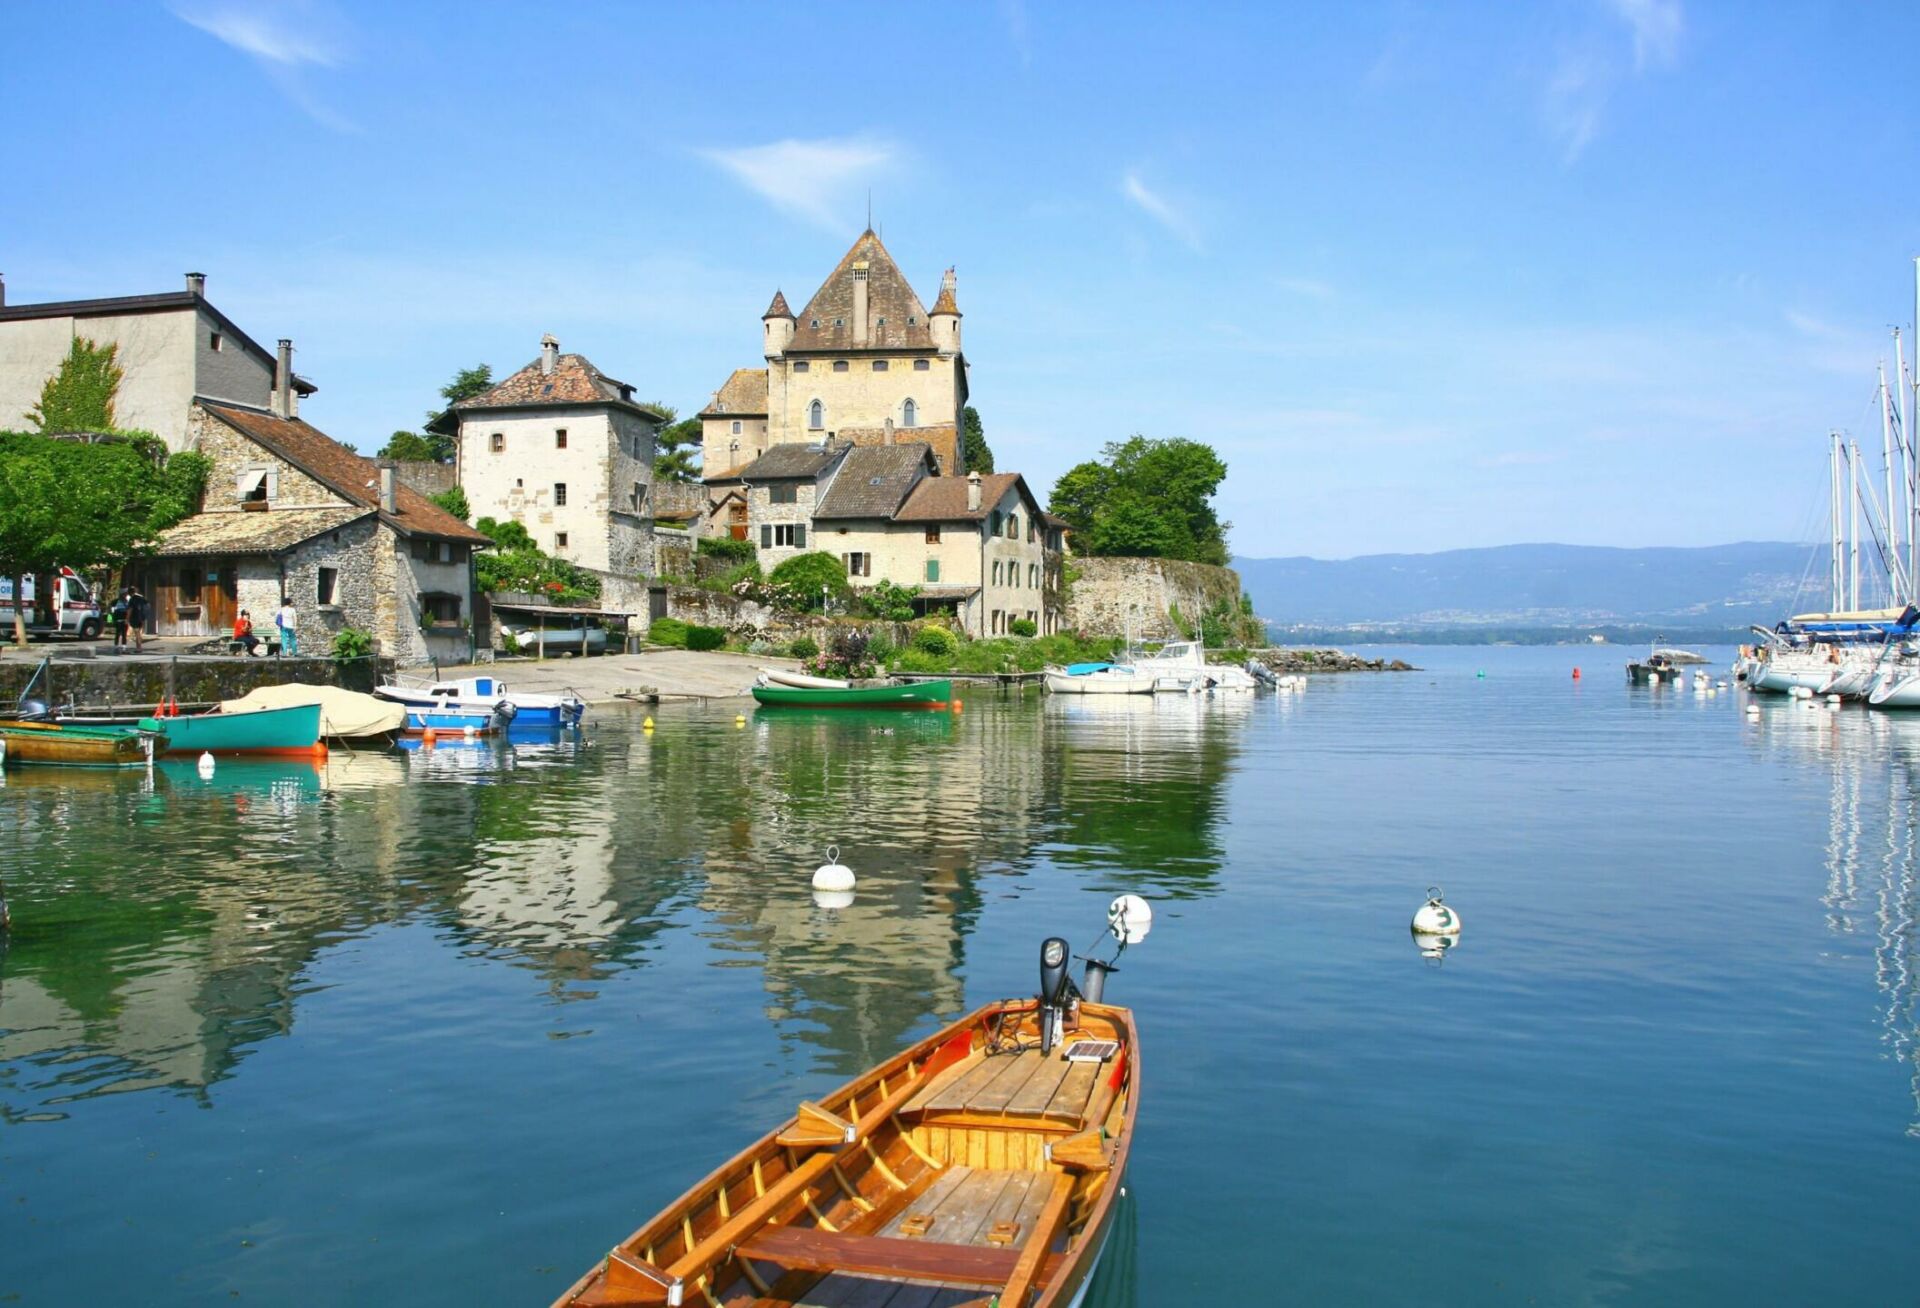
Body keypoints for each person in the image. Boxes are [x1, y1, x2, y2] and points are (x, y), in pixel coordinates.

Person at [125, 585, 147, 652]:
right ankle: (139, 647)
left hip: (135, 617)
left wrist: (127, 619)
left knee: (137, 633)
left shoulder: (132, 599)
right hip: (141, 617)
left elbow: (130, 610)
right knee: (139, 632)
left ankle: (139, 647)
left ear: (130, 593)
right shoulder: (141, 598)